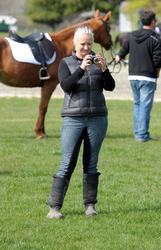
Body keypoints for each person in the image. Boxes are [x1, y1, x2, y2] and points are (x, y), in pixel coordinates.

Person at [47, 26, 115, 219]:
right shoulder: (66, 63)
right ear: (75, 44)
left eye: (89, 44)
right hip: (73, 119)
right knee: (67, 162)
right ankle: (54, 208)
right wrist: (81, 68)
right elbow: (66, 86)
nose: (86, 48)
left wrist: (104, 69)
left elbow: (110, 87)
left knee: (91, 164)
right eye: (82, 44)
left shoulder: (97, 61)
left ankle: (90, 206)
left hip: (98, 118)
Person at [115, 10, 161, 142]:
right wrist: (157, 73)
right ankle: (142, 135)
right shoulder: (156, 38)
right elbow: (158, 61)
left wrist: (118, 57)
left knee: (137, 105)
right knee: (145, 106)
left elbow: (122, 52)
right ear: (153, 22)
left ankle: (138, 133)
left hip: (133, 76)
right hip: (148, 77)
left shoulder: (131, 36)